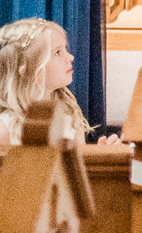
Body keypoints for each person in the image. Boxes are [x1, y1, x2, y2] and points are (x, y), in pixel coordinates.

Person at [0, 17, 124, 148]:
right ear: (25, 69)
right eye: (58, 52)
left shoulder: (69, 113)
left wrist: (100, 154)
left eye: (66, 49)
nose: (70, 57)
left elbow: (76, 165)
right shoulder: (5, 129)